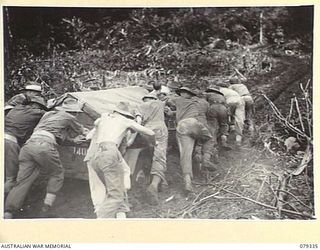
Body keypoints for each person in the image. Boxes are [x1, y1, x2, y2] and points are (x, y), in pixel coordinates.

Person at [4, 99, 87, 219]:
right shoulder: (69, 116)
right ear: (74, 112)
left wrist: (71, 140)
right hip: (44, 146)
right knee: (57, 173)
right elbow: (84, 132)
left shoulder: (48, 115)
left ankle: (8, 212)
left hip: (28, 146)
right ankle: (46, 208)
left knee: (23, 180)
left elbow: (51, 133)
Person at [84, 102, 155, 218]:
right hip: (109, 153)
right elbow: (132, 141)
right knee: (119, 185)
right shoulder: (123, 121)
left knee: (100, 189)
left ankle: (115, 213)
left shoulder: (103, 119)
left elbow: (88, 136)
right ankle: (106, 217)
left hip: (93, 155)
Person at [166, 87, 213, 194]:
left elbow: (166, 100)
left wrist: (169, 110)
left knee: (185, 155)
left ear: (182, 93)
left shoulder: (177, 100)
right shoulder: (195, 102)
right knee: (209, 138)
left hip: (182, 126)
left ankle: (187, 182)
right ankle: (205, 159)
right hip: (194, 123)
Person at [4, 96, 48, 194]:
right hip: (9, 142)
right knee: (10, 178)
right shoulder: (37, 112)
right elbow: (51, 115)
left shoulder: (17, 108)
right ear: (38, 106)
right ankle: (6, 201)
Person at [138, 93, 168, 205]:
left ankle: (160, 180)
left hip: (146, 130)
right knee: (160, 156)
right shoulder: (160, 103)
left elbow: (138, 122)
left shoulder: (140, 106)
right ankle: (154, 185)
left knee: (150, 152)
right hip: (159, 129)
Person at [204, 85, 231, 162]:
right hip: (223, 108)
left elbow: (205, 104)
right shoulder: (221, 96)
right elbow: (227, 106)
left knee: (213, 127)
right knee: (223, 124)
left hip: (213, 108)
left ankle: (214, 147)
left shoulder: (207, 95)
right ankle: (224, 139)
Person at [217, 82, 245, 148]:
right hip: (240, 100)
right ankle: (238, 139)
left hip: (229, 101)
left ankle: (225, 136)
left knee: (225, 117)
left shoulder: (220, 91)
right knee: (239, 119)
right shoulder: (231, 90)